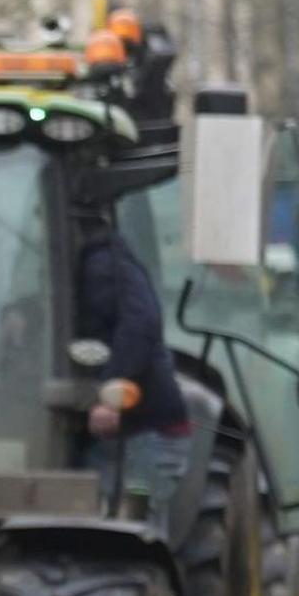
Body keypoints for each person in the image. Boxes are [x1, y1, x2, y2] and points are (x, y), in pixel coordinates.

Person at [71, 201, 195, 513]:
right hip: (136, 431)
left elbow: (141, 323)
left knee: (124, 533)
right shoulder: (103, 260)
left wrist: (110, 394)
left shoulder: (101, 264)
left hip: (142, 432)